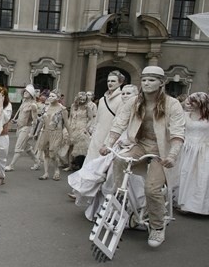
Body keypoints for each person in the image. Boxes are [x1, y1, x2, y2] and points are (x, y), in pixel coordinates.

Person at [100, 66, 185, 248]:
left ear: (161, 83)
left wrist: (172, 155)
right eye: (144, 79)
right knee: (119, 159)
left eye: (152, 80)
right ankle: (120, 197)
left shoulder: (172, 104)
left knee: (152, 189)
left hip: (161, 150)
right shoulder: (134, 102)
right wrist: (108, 143)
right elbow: (119, 123)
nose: (146, 83)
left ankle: (157, 227)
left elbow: (178, 133)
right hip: (140, 144)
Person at [68, 84, 139, 215]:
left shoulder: (138, 110)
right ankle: (101, 210)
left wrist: (128, 141)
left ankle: (121, 212)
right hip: (113, 144)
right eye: (123, 93)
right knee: (103, 175)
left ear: (136, 95)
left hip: (129, 147)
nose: (124, 96)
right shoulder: (121, 108)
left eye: (128, 94)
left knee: (115, 178)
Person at [174, 92, 209, 215]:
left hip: (203, 150)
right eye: (190, 101)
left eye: (193, 101)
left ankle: (198, 206)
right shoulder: (185, 115)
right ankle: (183, 203)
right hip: (187, 149)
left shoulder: (207, 117)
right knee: (184, 174)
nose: (190, 104)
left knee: (200, 178)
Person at [84, 70, 125, 163]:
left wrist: (110, 140)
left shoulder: (122, 99)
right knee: (91, 160)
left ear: (120, 82)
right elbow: (97, 118)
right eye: (108, 81)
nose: (110, 83)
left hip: (110, 135)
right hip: (97, 134)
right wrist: (93, 131)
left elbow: (119, 120)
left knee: (104, 162)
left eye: (113, 81)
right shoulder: (102, 99)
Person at [35, 90, 71, 181]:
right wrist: (36, 131)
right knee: (46, 152)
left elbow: (66, 123)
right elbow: (41, 121)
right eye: (50, 96)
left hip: (56, 133)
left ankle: (56, 170)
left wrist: (70, 135)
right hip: (45, 132)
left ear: (58, 98)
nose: (50, 98)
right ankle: (46, 173)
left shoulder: (62, 109)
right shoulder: (46, 108)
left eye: (53, 96)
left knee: (53, 153)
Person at [5, 84, 40, 171]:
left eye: (27, 92)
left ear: (31, 94)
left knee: (18, 147)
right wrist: (16, 121)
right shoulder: (23, 103)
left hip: (26, 128)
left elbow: (35, 121)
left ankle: (11, 165)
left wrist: (32, 133)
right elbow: (22, 116)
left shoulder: (33, 105)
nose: (25, 93)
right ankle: (37, 161)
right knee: (26, 147)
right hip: (19, 127)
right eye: (25, 91)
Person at [64, 92, 95, 171]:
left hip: (82, 128)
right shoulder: (73, 106)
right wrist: (68, 127)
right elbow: (70, 117)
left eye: (83, 100)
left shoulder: (87, 107)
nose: (82, 101)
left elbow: (91, 119)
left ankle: (79, 165)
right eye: (80, 99)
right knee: (70, 147)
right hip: (72, 127)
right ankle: (70, 165)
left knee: (79, 148)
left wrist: (86, 128)